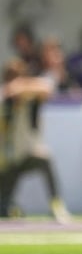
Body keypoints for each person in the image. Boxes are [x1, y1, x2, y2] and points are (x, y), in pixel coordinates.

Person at [0, 57, 71, 223]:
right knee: (4, 207)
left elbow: (46, 88)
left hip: (25, 156)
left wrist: (21, 86)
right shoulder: (4, 101)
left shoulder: (30, 101)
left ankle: (56, 203)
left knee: (45, 160)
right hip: (5, 163)